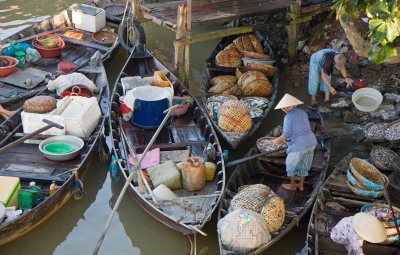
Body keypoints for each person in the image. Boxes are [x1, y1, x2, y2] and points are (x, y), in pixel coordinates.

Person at [271, 94, 317, 191]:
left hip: (300, 144)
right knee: (305, 164)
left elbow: (286, 135)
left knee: (290, 165)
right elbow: (303, 128)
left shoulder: (288, 117)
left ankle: (293, 185)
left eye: (284, 107)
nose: (284, 108)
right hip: (311, 142)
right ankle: (301, 185)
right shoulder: (303, 112)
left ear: (287, 107)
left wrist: (276, 140)